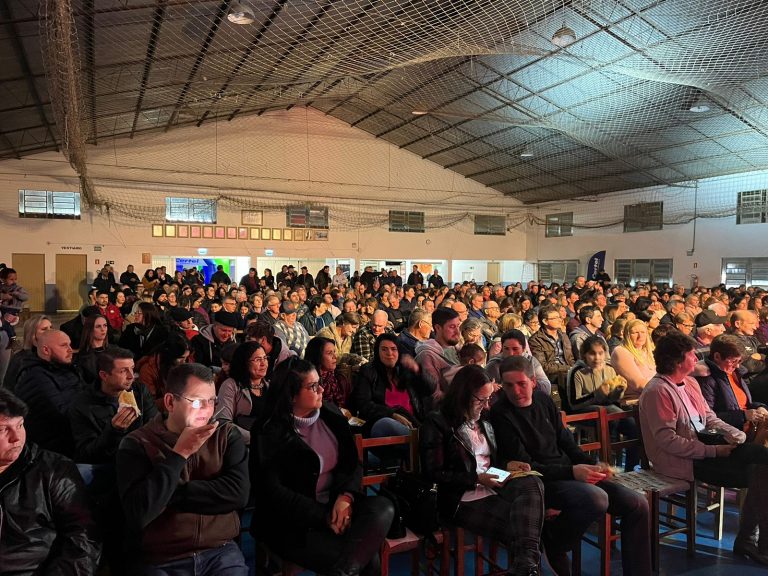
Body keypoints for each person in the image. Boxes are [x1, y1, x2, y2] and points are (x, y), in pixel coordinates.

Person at [490, 356, 651, 576]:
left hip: (567, 472)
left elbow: (566, 442)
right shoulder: (500, 413)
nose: (515, 391)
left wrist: (593, 465)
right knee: (596, 499)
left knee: (638, 503)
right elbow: (526, 466)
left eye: (521, 384)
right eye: (508, 385)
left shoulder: (543, 400)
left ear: (533, 381)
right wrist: (573, 472)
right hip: (541, 481)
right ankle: (554, 543)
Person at [250, 358, 394, 576]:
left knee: (383, 507)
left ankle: (342, 571)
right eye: (313, 386)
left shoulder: (330, 414)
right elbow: (272, 492)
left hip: (336, 506)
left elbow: (352, 463)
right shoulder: (268, 431)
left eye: (320, 383)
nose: (322, 390)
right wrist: (324, 517)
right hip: (293, 522)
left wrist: (346, 498)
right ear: (291, 395)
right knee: (367, 560)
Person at [639, 331, 768, 565]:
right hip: (682, 461)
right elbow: (667, 441)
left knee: (761, 462)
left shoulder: (689, 382)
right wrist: (714, 451)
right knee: (760, 469)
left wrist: (734, 434)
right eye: (691, 355)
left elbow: (708, 417)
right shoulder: (657, 391)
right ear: (677, 361)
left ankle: (751, 541)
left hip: (705, 448)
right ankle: (752, 541)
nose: (696, 359)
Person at [117, 363, 250, 574]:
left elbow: (238, 494)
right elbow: (139, 512)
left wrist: (170, 494)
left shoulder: (225, 435)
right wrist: (179, 454)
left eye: (212, 401)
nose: (207, 410)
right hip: (161, 556)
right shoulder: (138, 442)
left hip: (218, 549)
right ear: (170, 402)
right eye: (197, 402)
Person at [419, 364, 544, 576]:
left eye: (489, 398)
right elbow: (433, 473)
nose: (486, 405)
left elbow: (489, 457)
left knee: (533, 483)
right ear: (463, 395)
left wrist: (507, 465)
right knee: (526, 529)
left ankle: (525, 567)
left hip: (490, 483)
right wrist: (476, 478)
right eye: (481, 399)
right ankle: (528, 568)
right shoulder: (437, 422)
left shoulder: (484, 419)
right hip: (460, 495)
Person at [0, 388, 101, 573]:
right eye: (3, 429)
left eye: (20, 425)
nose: (16, 438)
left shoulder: (54, 470)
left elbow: (84, 540)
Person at [69, 347, 157, 464]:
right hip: (107, 464)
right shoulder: (82, 405)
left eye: (132, 368)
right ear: (104, 375)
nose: (131, 376)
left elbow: (154, 425)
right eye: (123, 371)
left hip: (141, 457)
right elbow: (86, 455)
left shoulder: (139, 390)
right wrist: (114, 431)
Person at [15, 330, 85, 457]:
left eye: (69, 345)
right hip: (56, 451)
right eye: (64, 345)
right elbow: (62, 414)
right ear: (46, 350)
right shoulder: (35, 377)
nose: (70, 350)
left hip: (73, 439)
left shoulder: (65, 368)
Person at [350, 333, 433, 437]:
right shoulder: (368, 371)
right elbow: (363, 404)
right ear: (377, 352)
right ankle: (421, 440)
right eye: (384, 349)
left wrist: (417, 370)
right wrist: (391, 414)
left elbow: (430, 390)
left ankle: (421, 439)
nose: (389, 353)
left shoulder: (405, 370)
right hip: (383, 423)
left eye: (393, 349)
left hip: (413, 422)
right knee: (387, 424)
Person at [694, 334, 768, 431]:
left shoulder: (735, 373)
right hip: (730, 433)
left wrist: (759, 407)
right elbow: (708, 417)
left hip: (748, 428)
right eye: (733, 361)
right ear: (717, 357)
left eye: (739, 361)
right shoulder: (706, 380)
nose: (737, 366)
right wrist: (744, 416)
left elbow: (744, 404)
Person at [217, 341, 270, 444]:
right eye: (257, 360)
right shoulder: (231, 385)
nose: (263, 364)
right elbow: (223, 422)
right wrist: (255, 439)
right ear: (244, 362)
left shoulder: (269, 386)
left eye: (265, 358)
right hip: (240, 444)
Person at [485, 330, 552, 395]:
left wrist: (527, 383)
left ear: (523, 349)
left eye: (515, 349)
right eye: (506, 349)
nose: (510, 353)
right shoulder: (494, 365)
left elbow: (547, 387)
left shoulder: (531, 361)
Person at [415, 307, 461, 400]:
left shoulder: (459, 350)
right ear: (438, 328)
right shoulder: (427, 356)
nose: (457, 332)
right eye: (452, 327)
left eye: (458, 326)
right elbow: (434, 396)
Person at [610, 319, 656, 401]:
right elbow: (638, 383)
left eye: (643, 332)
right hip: (635, 400)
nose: (640, 336)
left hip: (652, 395)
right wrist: (663, 390)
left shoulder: (648, 351)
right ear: (626, 335)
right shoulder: (621, 352)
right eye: (635, 333)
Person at [2, 313, 51, 391]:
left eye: (51, 327)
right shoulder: (20, 360)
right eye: (44, 329)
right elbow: (9, 389)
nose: (50, 331)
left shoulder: (56, 354)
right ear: (32, 334)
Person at [305, 336, 354, 412]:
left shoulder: (340, 378)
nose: (335, 356)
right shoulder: (308, 383)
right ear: (317, 356)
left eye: (334, 352)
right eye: (329, 353)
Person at [75, 314, 111, 384]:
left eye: (105, 325)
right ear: (90, 329)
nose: (103, 329)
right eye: (98, 326)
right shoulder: (83, 357)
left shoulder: (115, 350)